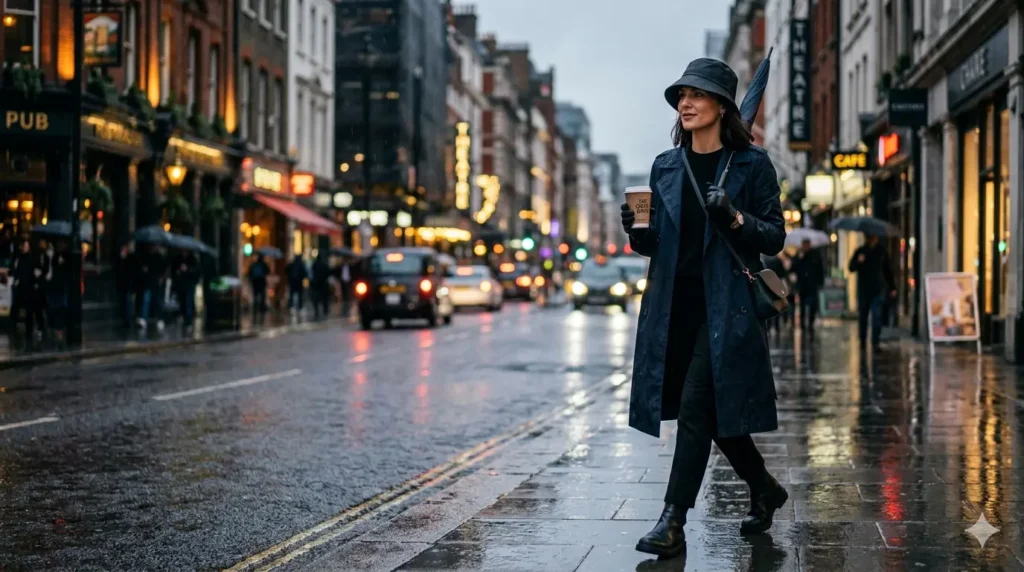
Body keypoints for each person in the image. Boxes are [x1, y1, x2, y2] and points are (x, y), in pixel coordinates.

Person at [620, 58, 788, 559]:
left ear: (721, 105)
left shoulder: (752, 165)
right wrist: (637, 232)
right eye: (681, 97)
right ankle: (764, 488)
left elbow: (774, 237)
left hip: (727, 309)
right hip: (674, 310)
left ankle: (672, 522)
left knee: (695, 408)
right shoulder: (666, 166)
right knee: (712, 417)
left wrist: (734, 217)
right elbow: (658, 245)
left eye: (696, 95)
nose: (685, 104)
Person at [848, 234, 896, 351]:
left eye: (874, 237)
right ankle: (863, 340)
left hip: (877, 289)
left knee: (876, 316)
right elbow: (851, 267)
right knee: (863, 316)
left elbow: (887, 270)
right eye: (870, 237)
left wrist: (892, 287)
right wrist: (859, 261)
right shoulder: (860, 251)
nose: (873, 239)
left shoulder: (881, 251)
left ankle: (875, 341)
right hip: (864, 289)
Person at [9, 238, 44, 347]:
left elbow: (37, 271)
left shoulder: (32, 258)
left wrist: (36, 281)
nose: (25, 248)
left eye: (27, 246)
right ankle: (15, 328)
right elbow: (15, 270)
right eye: (24, 246)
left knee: (29, 310)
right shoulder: (19, 257)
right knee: (16, 308)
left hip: (29, 288)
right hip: (21, 287)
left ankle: (29, 332)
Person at [792, 238, 825, 333]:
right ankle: (802, 324)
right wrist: (799, 258)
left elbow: (820, 269)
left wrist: (820, 282)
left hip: (812, 284)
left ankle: (811, 322)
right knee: (802, 305)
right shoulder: (799, 254)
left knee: (812, 305)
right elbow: (793, 268)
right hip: (802, 284)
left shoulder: (815, 254)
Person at [43, 239, 70, 348]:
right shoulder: (51, 258)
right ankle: (54, 334)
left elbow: (66, 272)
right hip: (52, 289)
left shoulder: (65, 257)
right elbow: (47, 273)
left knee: (59, 312)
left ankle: (59, 335)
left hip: (60, 289)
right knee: (52, 311)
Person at [174, 250, 201, 332]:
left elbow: (197, 271)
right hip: (181, 285)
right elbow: (174, 270)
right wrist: (178, 272)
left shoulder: (193, 260)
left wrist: (187, 269)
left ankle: (188, 322)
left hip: (190, 284)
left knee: (188, 303)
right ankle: (184, 318)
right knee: (183, 302)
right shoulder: (178, 259)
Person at [115, 244, 137, 329]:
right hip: (122, 284)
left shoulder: (131, 258)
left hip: (129, 285)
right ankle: (125, 319)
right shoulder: (120, 259)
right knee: (124, 302)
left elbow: (131, 271)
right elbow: (118, 270)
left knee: (128, 302)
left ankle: (128, 319)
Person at [311, 252, 331, 320]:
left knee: (316, 299)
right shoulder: (324, 265)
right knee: (324, 299)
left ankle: (317, 311)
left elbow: (312, 274)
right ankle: (325, 310)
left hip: (317, 284)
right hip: (323, 284)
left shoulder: (314, 264)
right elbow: (328, 273)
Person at [248, 254, 270, 319]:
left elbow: (249, 273)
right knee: (262, 295)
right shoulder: (263, 265)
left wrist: (251, 280)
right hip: (261, 282)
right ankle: (261, 307)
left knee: (255, 295)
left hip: (255, 282)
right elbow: (268, 271)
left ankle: (255, 307)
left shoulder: (254, 264)